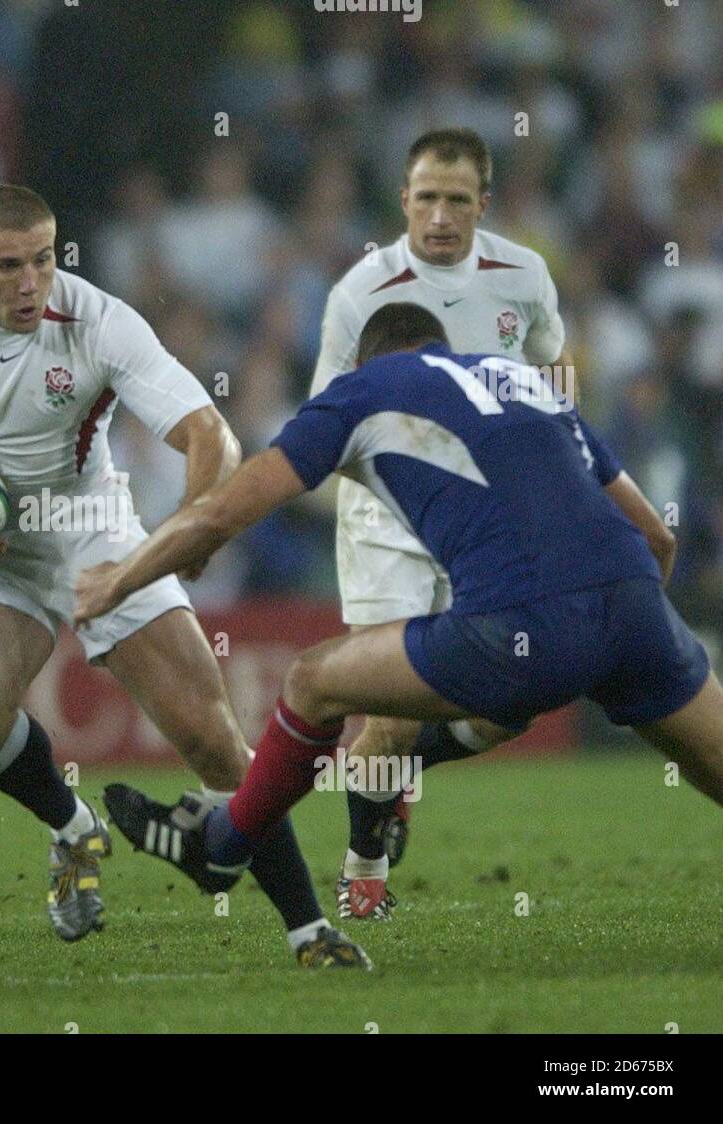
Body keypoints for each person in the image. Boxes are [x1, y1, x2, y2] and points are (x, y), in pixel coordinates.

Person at [74, 303, 721, 968]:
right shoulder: (521, 379)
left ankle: (222, 846)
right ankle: (462, 731)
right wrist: (612, 634)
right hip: (638, 608)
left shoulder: (361, 393)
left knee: (312, 681)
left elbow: (223, 511)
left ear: (363, 360)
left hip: (519, 621)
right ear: (441, 346)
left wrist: (119, 580)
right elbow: (656, 536)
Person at [0, 184, 368, 967]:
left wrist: (184, 539)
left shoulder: (95, 319)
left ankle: (309, 930)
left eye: (44, 261)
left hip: (90, 526)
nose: (32, 283)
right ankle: (72, 827)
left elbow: (208, 438)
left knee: (209, 732)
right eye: (10, 266)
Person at [309, 127, 589, 919]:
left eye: (457, 200)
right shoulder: (359, 292)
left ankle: (394, 781)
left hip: (492, 525)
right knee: (393, 712)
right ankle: (364, 873)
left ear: (483, 205)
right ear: (403, 200)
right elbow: (325, 422)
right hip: (389, 522)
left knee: (513, 703)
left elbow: (551, 370)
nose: (439, 215)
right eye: (425, 197)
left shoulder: (525, 276)